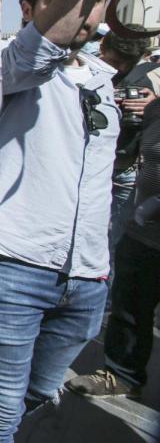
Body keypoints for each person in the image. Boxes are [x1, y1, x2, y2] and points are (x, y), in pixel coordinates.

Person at [0, 0, 119, 442]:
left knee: (38, 396)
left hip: (86, 275)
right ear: (28, 10)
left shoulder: (103, 79)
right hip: (10, 263)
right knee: (0, 410)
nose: (82, 11)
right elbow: (36, 53)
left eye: (93, 2)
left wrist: (99, 269)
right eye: (66, 0)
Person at [66, 99, 160, 400]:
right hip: (144, 232)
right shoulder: (154, 108)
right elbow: (128, 154)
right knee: (130, 305)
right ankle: (121, 374)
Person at [97, 32, 157, 253]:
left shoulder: (150, 79)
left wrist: (153, 106)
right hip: (88, 169)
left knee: (114, 243)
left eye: (128, 63)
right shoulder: (85, 72)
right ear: (103, 48)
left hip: (126, 171)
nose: (120, 68)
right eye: (114, 61)